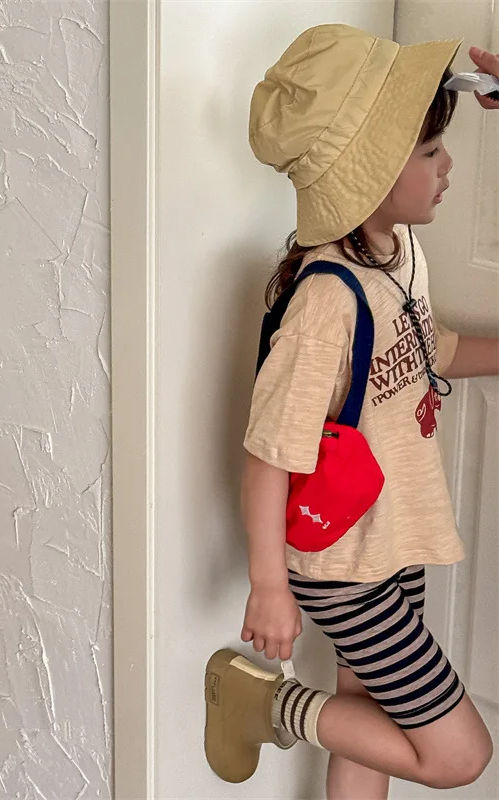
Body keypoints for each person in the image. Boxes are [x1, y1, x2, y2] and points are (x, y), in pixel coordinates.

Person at [203, 24, 499, 795]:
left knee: (370, 722)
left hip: (393, 534)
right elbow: (269, 452)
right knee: (459, 755)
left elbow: (432, 350)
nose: (448, 165)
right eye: (429, 152)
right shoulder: (327, 300)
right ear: (369, 172)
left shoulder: (400, 254)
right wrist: (270, 583)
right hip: (343, 567)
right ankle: (269, 704)